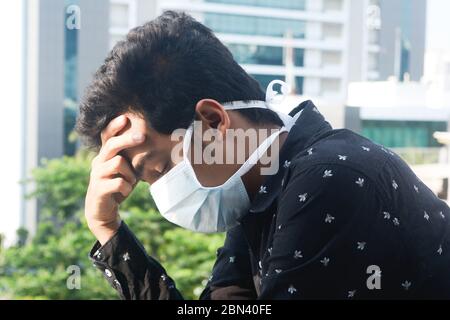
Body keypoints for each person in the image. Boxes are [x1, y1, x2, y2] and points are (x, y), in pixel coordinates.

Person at [76, 11, 450, 300]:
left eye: (158, 170)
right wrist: (108, 231)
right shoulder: (261, 194)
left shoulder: (329, 179)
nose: (161, 192)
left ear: (212, 121)